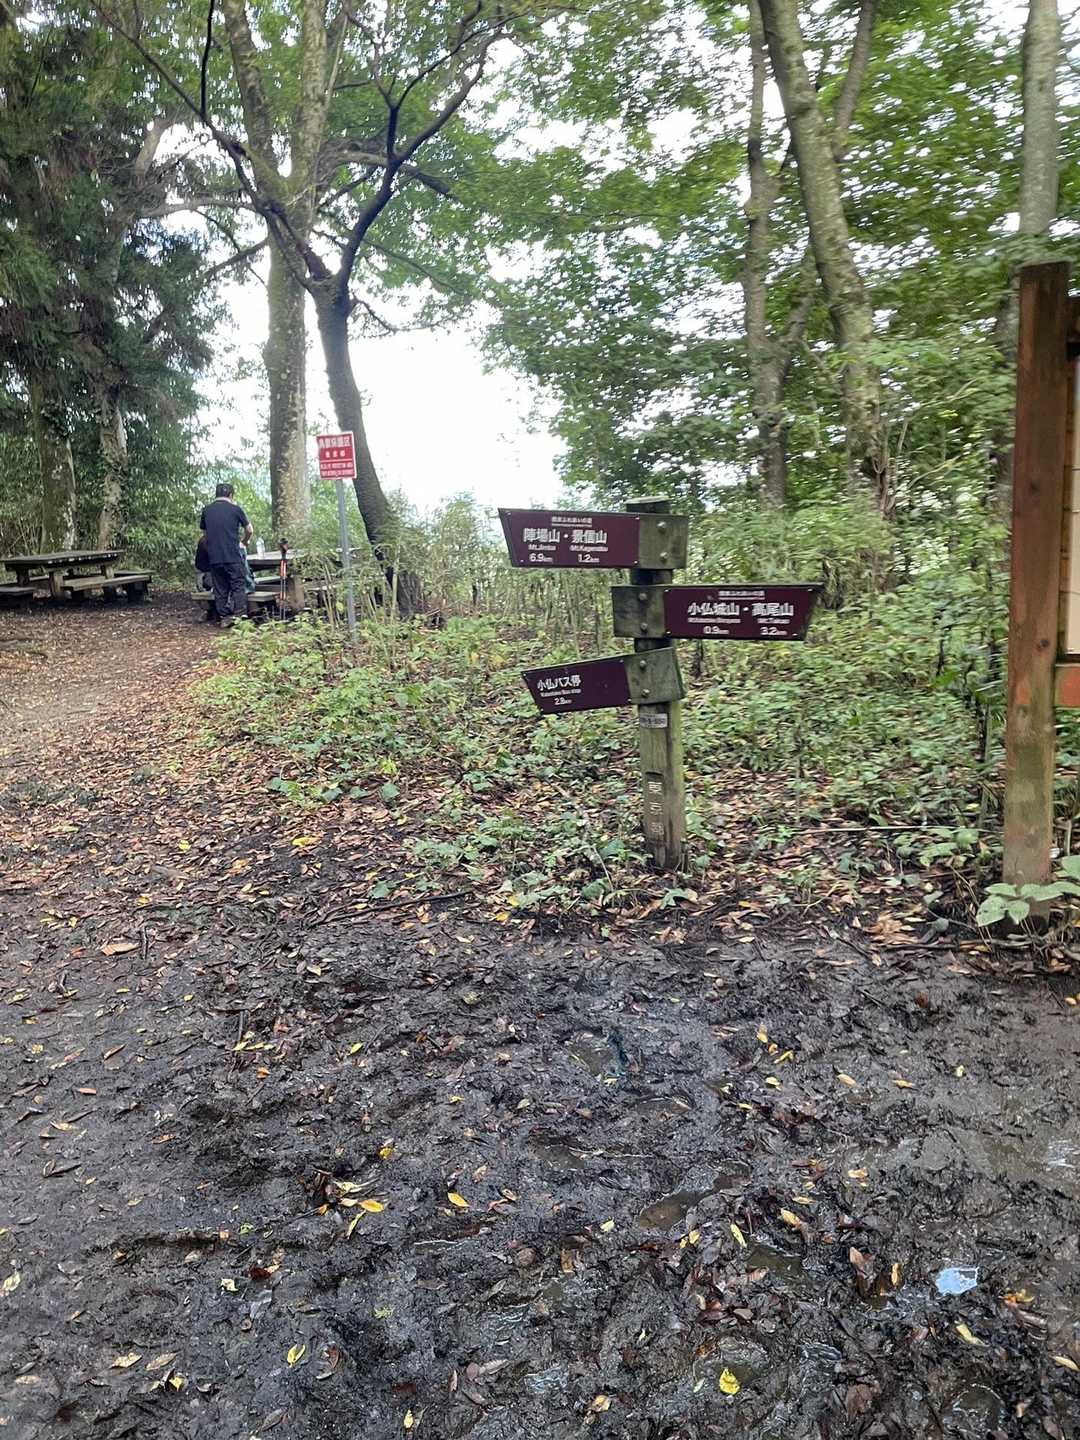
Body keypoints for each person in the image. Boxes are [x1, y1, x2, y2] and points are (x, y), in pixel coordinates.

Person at [199, 482, 253, 628]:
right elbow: (249, 530)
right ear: (230, 495)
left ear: (216, 495)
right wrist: (244, 542)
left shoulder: (206, 510)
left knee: (220, 588)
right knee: (238, 585)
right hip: (232, 555)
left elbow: (205, 534)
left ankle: (224, 617)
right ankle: (239, 616)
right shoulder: (236, 509)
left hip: (215, 557)